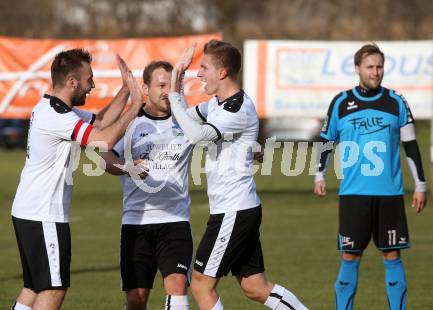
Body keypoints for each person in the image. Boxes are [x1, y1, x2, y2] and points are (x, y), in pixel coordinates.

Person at [168, 40, 308, 310]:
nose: (200, 74)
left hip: (233, 211)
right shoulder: (217, 105)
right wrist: (178, 77)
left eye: (204, 68)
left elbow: (195, 134)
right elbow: (182, 119)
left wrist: (176, 86)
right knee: (255, 288)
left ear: (222, 73)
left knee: (200, 284)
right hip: (238, 209)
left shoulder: (236, 109)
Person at [10, 48, 144, 310]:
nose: (92, 86)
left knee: (33, 287)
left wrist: (126, 90)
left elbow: (102, 120)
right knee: (53, 290)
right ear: (72, 81)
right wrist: (137, 106)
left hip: (30, 212)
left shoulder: (55, 108)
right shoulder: (56, 116)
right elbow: (103, 140)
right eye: (89, 79)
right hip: (43, 214)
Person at [314, 43, 427, 310]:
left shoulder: (396, 102)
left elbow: (410, 146)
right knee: (349, 256)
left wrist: (420, 185)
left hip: (390, 194)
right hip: (354, 195)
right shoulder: (341, 102)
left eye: (379, 66)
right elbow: (326, 141)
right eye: (370, 67)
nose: (376, 72)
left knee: (392, 254)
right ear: (357, 69)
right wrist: (319, 175)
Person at [101, 60, 194, 310]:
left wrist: (252, 149)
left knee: (177, 288)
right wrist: (127, 168)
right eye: (161, 85)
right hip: (136, 224)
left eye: (170, 85)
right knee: (136, 299)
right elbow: (104, 157)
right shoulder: (131, 123)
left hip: (176, 221)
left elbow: (219, 137)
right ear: (145, 88)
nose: (167, 91)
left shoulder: (186, 122)